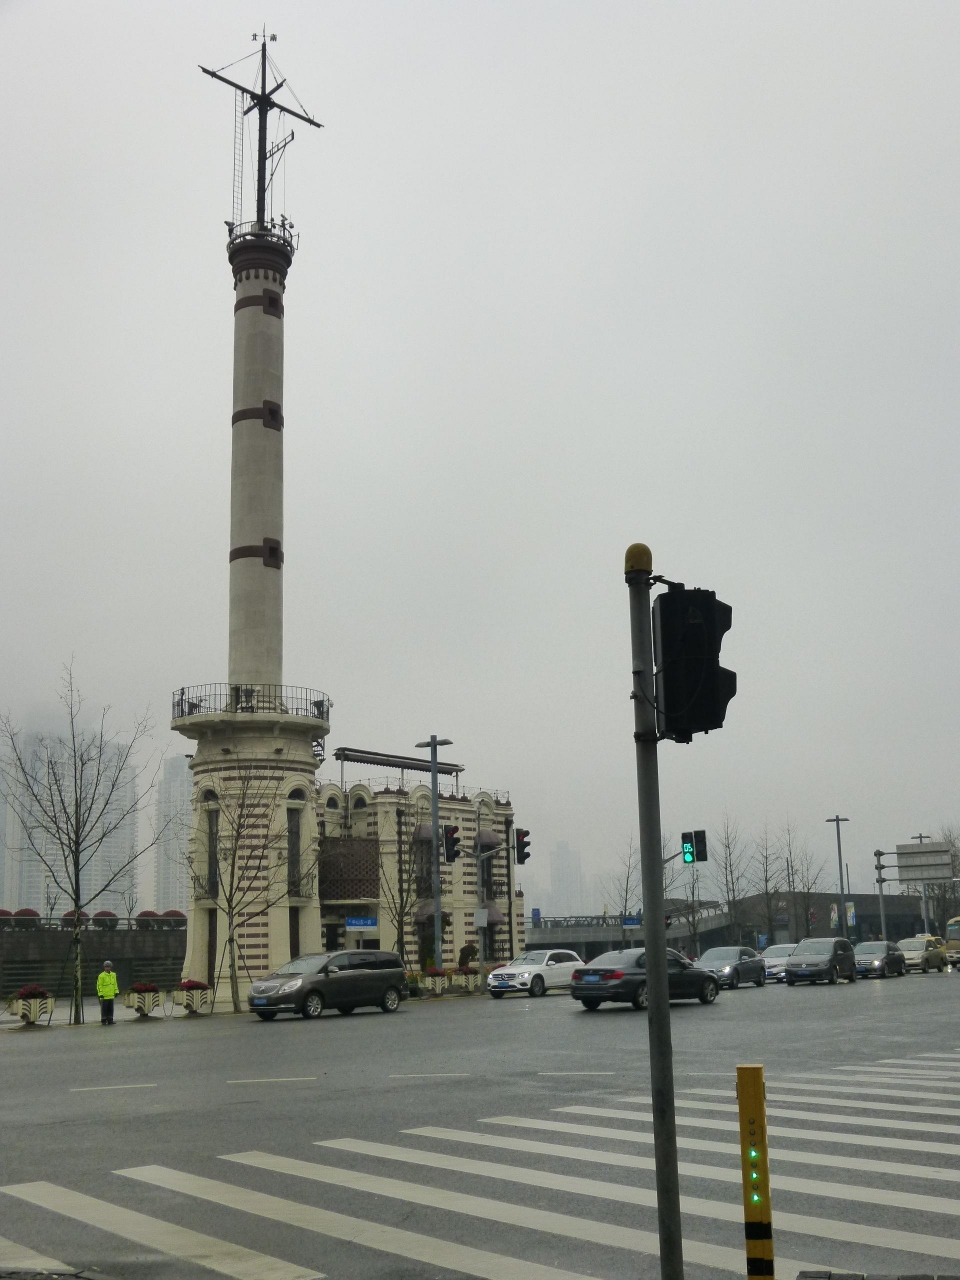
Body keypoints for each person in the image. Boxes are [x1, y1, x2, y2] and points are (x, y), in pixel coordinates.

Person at [97, 960, 119, 1025]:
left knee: (110, 1009)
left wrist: (116, 991)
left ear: (111, 967)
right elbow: (99, 985)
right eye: (106, 967)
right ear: (104, 967)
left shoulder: (113, 975)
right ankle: (103, 1020)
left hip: (111, 995)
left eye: (108, 967)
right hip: (104, 996)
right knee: (104, 1009)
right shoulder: (101, 976)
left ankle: (110, 1020)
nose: (107, 968)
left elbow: (115, 984)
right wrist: (100, 993)